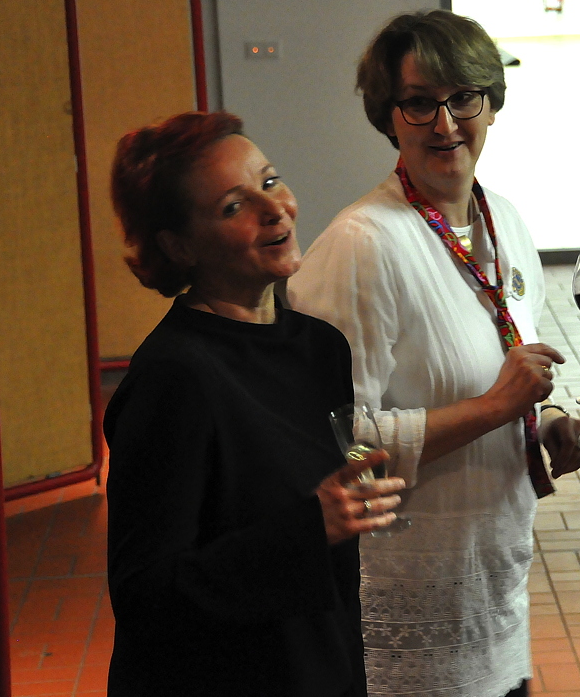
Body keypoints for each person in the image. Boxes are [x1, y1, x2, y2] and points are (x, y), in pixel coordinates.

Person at [287, 9, 580, 697]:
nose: (446, 123)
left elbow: (496, 367)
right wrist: (493, 409)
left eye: (464, 98)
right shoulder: (363, 244)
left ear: (491, 104)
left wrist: (546, 422)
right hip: (408, 592)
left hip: (494, 583)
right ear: (388, 116)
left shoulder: (503, 219)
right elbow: (333, 440)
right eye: (420, 102)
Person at [104, 111, 405, 696]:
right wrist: (307, 530)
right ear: (178, 245)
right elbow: (145, 595)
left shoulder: (320, 347)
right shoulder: (174, 377)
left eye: (270, 181)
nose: (276, 209)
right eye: (233, 206)